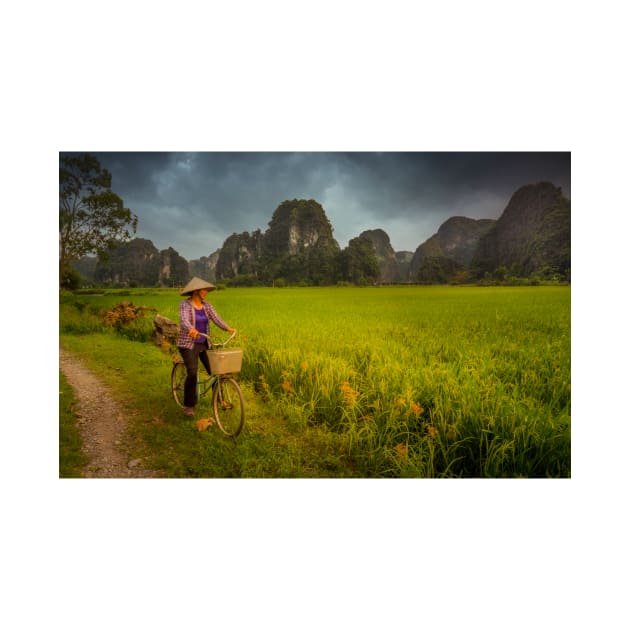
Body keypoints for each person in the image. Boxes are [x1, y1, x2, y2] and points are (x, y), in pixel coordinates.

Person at [177, 276, 236, 417]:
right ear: (197, 291)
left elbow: (216, 318)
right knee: (192, 372)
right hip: (188, 344)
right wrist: (191, 329)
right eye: (205, 289)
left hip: (204, 343)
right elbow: (184, 319)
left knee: (217, 370)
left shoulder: (207, 306)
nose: (207, 292)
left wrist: (228, 328)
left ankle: (219, 399)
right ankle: (189, 405)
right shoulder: (185, 305)